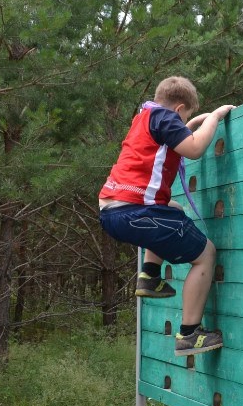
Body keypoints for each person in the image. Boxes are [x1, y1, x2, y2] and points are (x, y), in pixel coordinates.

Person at [99, 76, 235, 355]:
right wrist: (214, 117)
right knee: (206, 254)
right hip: (134, 211)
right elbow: (194, 149)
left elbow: (172, 140)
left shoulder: (145, 117)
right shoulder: (165, 117)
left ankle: (149, 276)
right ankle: (189, 334)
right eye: (183, 117)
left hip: (112, 209)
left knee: (173, 210)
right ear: (179, 108)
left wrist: (190, 125)